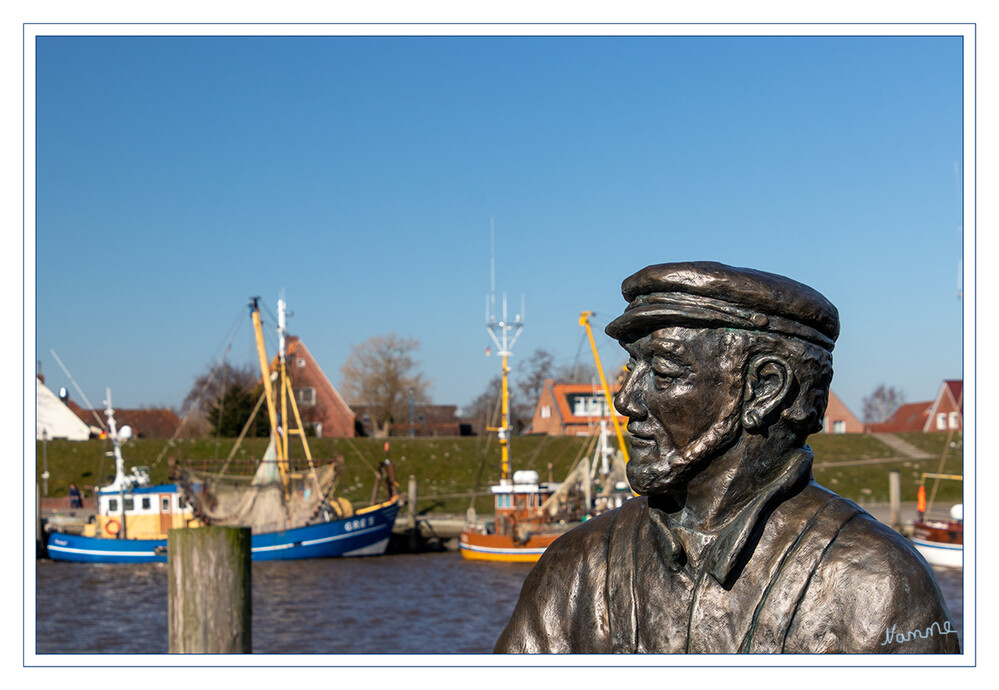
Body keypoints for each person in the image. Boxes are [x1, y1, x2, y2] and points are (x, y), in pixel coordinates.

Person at [495, 261, 959, 654]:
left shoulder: (877, 586)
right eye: (630, 369)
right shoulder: (577, 568)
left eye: (663, 371)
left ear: (765, 389)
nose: (626, 399)